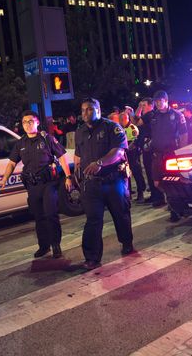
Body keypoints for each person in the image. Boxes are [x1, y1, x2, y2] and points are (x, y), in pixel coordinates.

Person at [0, 110, 73, 258]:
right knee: (39, 217)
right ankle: (44, 246)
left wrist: (68, 176)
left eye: (30, 121)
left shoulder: (46, 139)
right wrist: (4, 179)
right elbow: (12, 163)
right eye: (24, 122)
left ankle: (55, 244)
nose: (27, 124)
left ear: (37, 122)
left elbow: (62, 156)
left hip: (49, 183)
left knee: (51, 215)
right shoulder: (21, 143)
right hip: (32, 185)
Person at [74, 98, 133, 270]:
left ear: (98, 110)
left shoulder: (112, 128)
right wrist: (74, 176)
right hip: (91, 185)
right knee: (93, 220)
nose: (86, 113)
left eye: (90, 109)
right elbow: (78, 156)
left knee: (120, 215)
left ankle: (126, 242)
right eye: (83, 110)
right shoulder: (80, 132)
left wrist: (99, 163)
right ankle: (92, 257)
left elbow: (118, 152)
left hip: (113, 181)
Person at [128, 91, 188, 222]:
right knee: (157, 183)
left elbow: (184, 134)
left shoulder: (177, 115)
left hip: (172, 154)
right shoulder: (152, 115)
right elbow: (136, 122)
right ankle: (173, 201)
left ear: (166, 100)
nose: (159, 103)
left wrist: (182, 152)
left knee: (173, 181)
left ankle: (176, 209)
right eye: (157, 101)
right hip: (157, 154)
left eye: (161, 100)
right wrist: (135, 110)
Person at [130, 98, 163, 205]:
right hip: (146, 148)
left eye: (144, 105)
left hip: (151, 149)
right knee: (149, 173)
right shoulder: (148, 116)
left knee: (153, 173)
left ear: (150, 105)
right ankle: (154, 196)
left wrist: (136, 109)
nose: (142, 107)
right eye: (142, 105)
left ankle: (158, 197)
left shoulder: (149, 115)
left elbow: (135, 121)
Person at [119, 109, 146, 203]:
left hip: (133, 154)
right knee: (126, 174)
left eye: (122, 119)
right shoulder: (120, 128)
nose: (120, 122)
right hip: (125, 154)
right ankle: (128, 194)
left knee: (136, 173)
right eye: (120, 120)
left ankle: (140, 193)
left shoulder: (132, 128)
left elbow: (135, 141)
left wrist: (127, 148)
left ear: (126, 119)